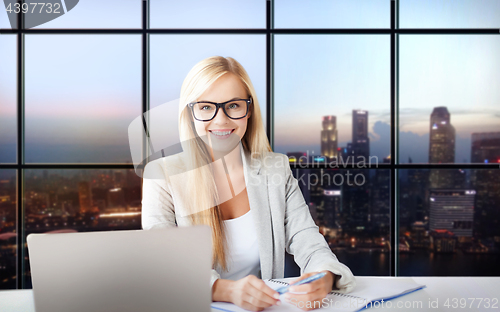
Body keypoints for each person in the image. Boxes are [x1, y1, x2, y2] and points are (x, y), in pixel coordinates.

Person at [142, 56, 355, 311]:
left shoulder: (275, 168)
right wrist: (226, 290)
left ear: (249, 110)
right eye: (206, 107)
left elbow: (307, 240)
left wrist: (323, 276)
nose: (221, 120)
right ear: (190, 114)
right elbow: (163, 261)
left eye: (233, 105)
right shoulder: (162, 175)